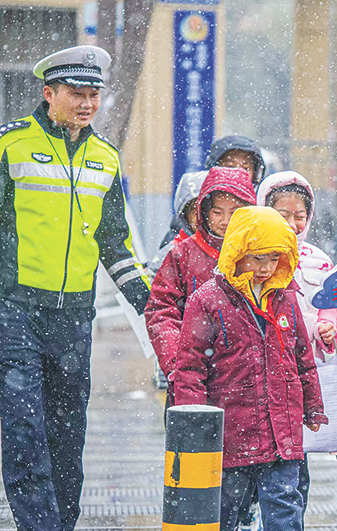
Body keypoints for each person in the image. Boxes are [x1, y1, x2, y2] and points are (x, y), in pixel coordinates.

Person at [0, 45, 150, 530]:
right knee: (25, 431)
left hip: (74, 318)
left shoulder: (105, 158)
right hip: (16, 311)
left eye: (93, 94)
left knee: (68, 434)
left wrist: (154, 303)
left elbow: (116, 244)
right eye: (76, 93)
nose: (87, 103)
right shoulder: (10, 145)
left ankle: (61, 523)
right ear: (49, 94)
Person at [173, 206, 327, 531]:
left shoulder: (285, 298)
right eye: (257, 258)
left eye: (274, 258)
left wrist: (313, 406)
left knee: (285, 507)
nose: (266, 268)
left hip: (280, 430)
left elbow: (302, 357)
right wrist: (192, 420)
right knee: (225, 511)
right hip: (230, 432)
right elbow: (191, 365)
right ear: (237, 251)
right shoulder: (209, 300)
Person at [257, 171, 337, 520]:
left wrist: (330, 328)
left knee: (294, 466)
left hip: (303, 377)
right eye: (282, 215)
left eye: (299, 216)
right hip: (262, 377)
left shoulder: (320, 261)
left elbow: (334, 306)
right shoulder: (253, 258)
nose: (292, 223)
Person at [145, 167, 255, 409]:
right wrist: (178, 364)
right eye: (217, 212)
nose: (225, 221)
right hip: (191, 378)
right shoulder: (183, 254)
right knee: (193, 443)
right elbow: (161, 311)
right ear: (203, 212)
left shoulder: (258, 254)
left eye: (235, 212)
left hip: (247, 382)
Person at [147, 170, 208, 275]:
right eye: (194, 211)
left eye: (206, 210)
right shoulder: (174, 252)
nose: (200, 218)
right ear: (185, 216)